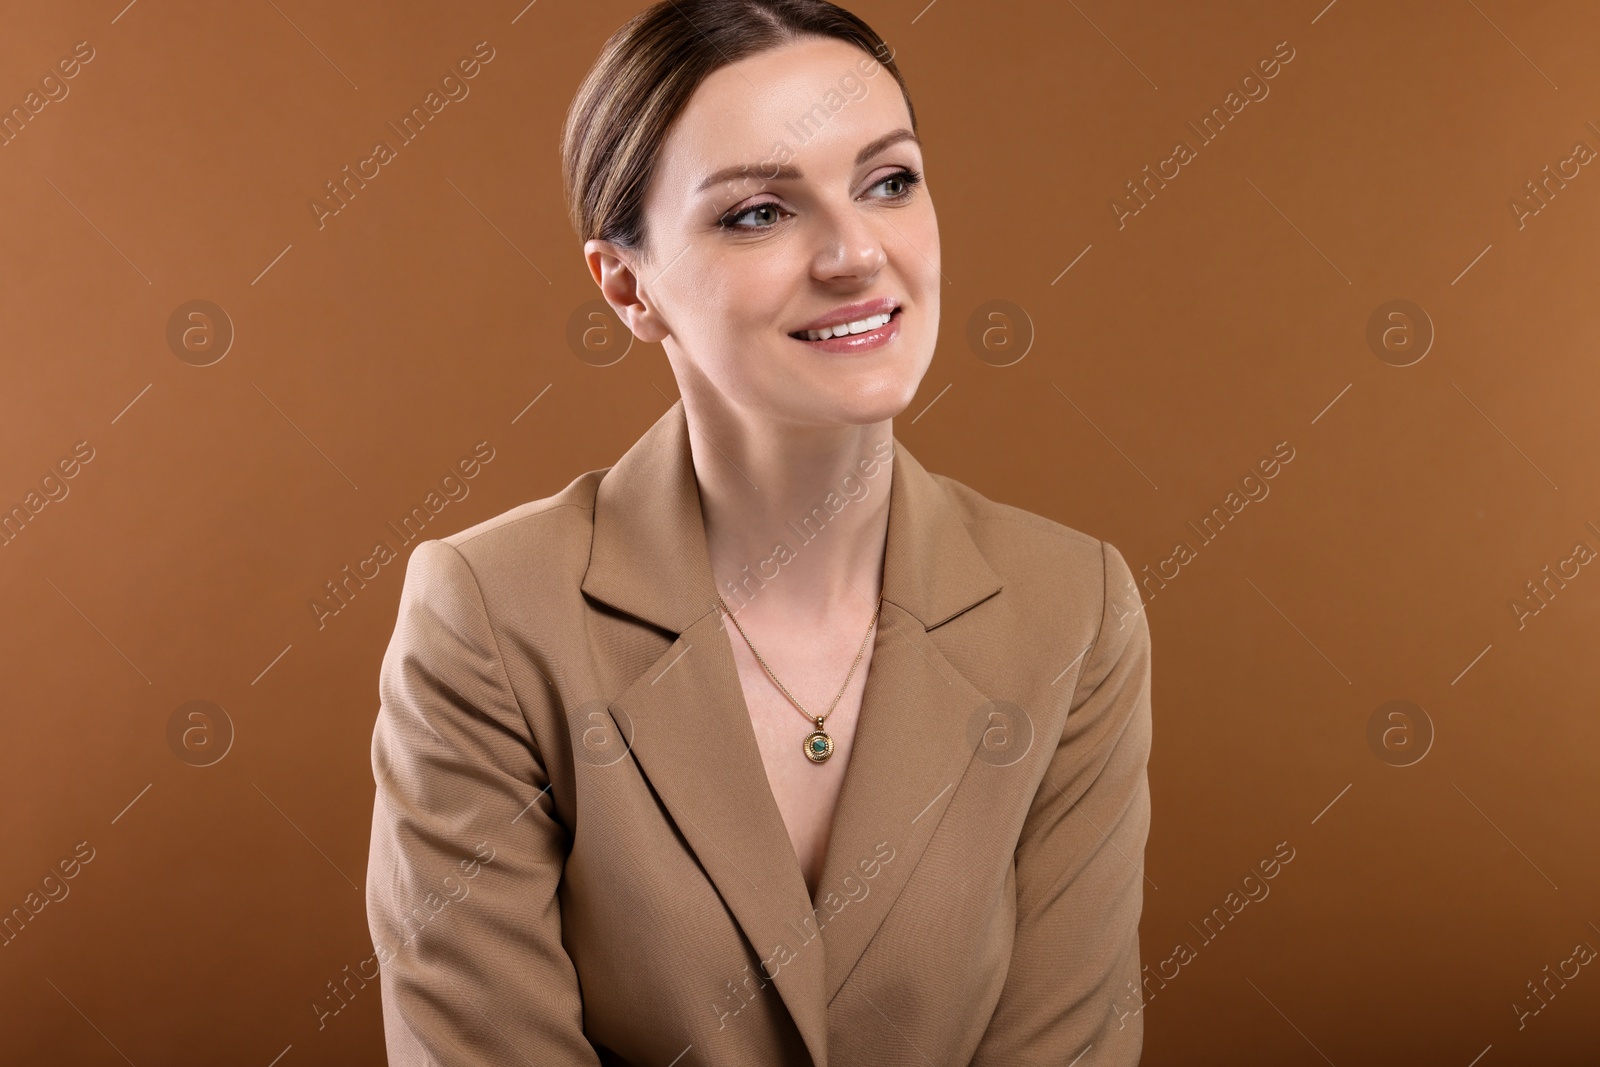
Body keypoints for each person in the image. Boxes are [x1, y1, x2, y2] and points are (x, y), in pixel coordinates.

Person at [364, 1, 1153, 1063]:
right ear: (627, 286)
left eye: (888, 182)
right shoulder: (489, 616)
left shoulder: (1074, 605)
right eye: (757, 214)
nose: (853, 253)